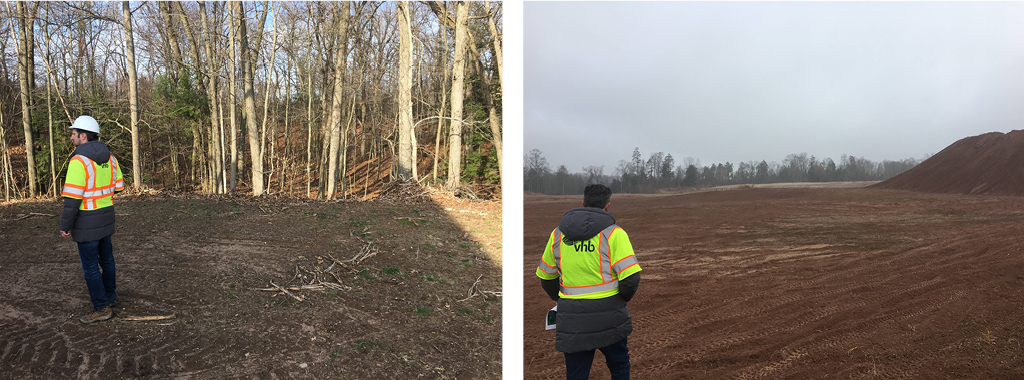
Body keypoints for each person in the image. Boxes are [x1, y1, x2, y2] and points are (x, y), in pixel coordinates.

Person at [536, 183, 642, 380]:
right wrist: (620, 299)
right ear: (607, 206)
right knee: (619, 366)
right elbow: (631, 277)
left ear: (583, 203)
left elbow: (546, 277)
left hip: (573, 318)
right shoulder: (614, 233)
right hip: (610, 315)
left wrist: (559, 298)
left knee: (576, 374)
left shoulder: (557, 234)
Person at [59, 115, 124, 324]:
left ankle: (101, 307)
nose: (71, 137)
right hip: (106, 219)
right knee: (107, 260)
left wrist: (65, 225)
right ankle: (110, 297)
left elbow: (72, 199)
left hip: (87, 222)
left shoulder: (78, 160)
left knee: (90, 267)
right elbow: (119, 187)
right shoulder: (111, 158)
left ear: (83, 136)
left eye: (74, 134)